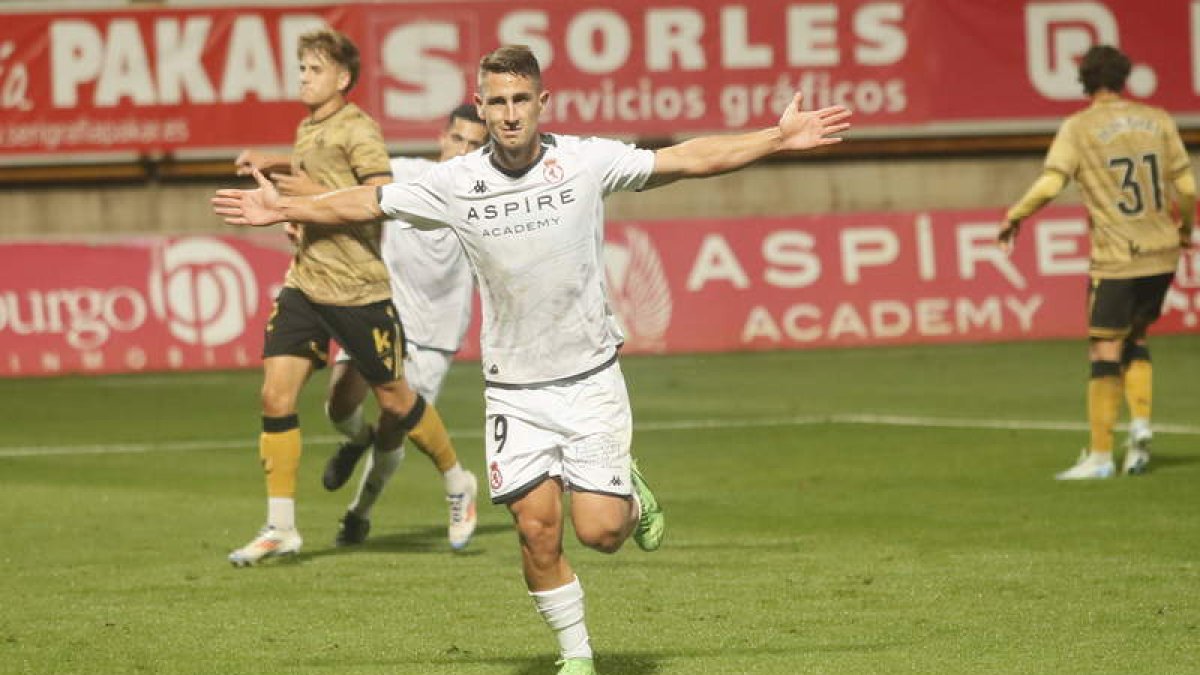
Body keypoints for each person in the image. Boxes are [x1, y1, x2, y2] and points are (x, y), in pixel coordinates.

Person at [213, 44, 850, 673]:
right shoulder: (456, 182)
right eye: (497, 101)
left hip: (590, 380)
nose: (510, 112)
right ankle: (576, 657)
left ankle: (629, 493)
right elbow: (369, 201)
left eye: (521, 99)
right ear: (483, 110)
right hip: (515, 391)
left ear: (543, 102)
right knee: (536, 530)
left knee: (600, 533)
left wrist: (774, 138)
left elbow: (684, 159)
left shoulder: (583, 162)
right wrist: (287, 208)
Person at [226, 28, 476, 566]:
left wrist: (298, 198)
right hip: (306, 283)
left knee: (395, 402)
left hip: (358, 289)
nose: (303, 78)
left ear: (342, 78)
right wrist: (275, 174)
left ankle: (458, 480)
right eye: (301, 69)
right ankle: (281, 526)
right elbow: (311, 179)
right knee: (276, 396)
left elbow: (376, 196)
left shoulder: (360, 129)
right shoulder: (308, 128)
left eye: (313, 69)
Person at [999, 45, 1195, 480]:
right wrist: (1185, 231)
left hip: (1117, 258)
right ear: (1125, 77)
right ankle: (1140, 428)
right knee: (1137, 337)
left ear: (1085, 81)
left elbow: (1052, 182)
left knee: (1103, 348)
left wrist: (1017, 215)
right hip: (1161, 251)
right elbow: (1187, 185)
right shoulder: (1159, 119)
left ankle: (1102, 456)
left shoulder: (1079, 128)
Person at [320, 104, 489, 548]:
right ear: (442, 138)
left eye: (475, 145)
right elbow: (341, 188)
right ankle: (356, 440)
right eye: (458, 140)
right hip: (380, 313)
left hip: (436, 332)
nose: (464, 151)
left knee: (398, 424)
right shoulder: (401, 174)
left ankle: (359, 514)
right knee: (339, 406)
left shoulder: (487, 195)